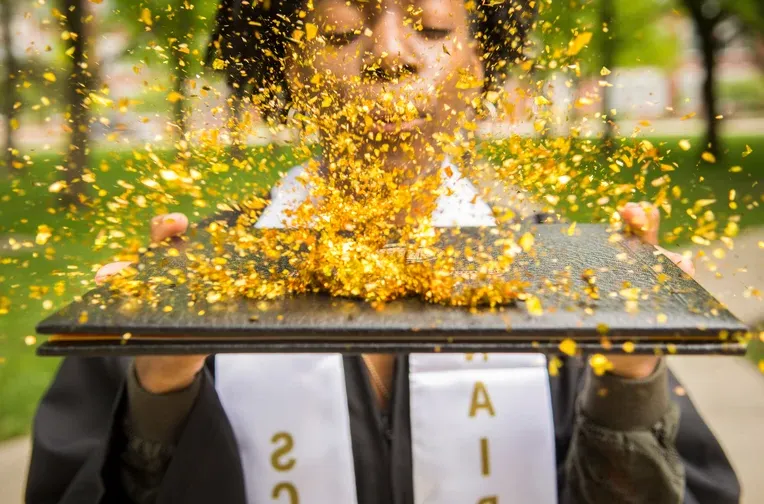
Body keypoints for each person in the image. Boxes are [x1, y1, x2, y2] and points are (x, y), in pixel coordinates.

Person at [26, 0, 740, 503]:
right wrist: (162, 391)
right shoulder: (193, 279)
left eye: (431, 27)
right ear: (289, 66)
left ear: (480, 63)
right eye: (340, 33)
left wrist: (631, 378)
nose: (390, 56)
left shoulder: (571, 278)